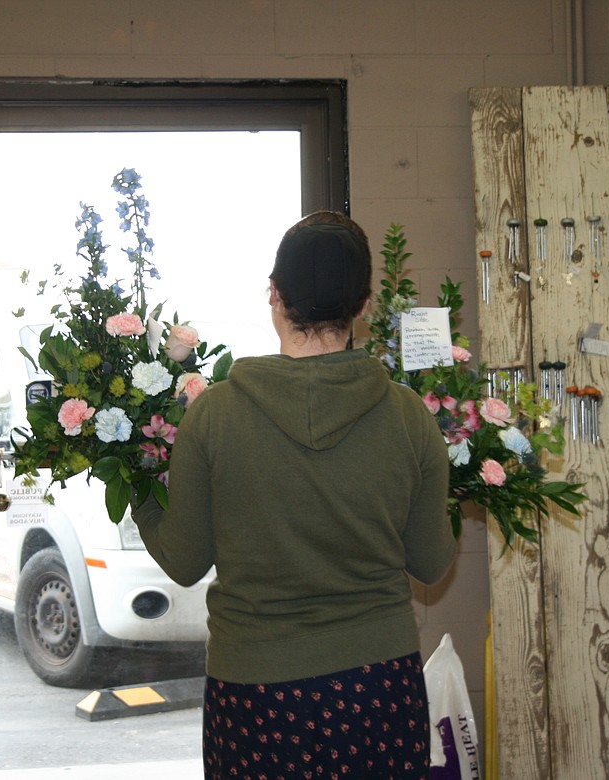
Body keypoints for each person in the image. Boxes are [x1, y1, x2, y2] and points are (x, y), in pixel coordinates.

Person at [132, 210, 457, 779]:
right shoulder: (409, 415)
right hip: (377, 687)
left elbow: (184, 563)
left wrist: (138, 487)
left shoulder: (215, 415)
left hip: (256, 690)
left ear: (275, 295)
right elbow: (431, 562)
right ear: (361, 306)